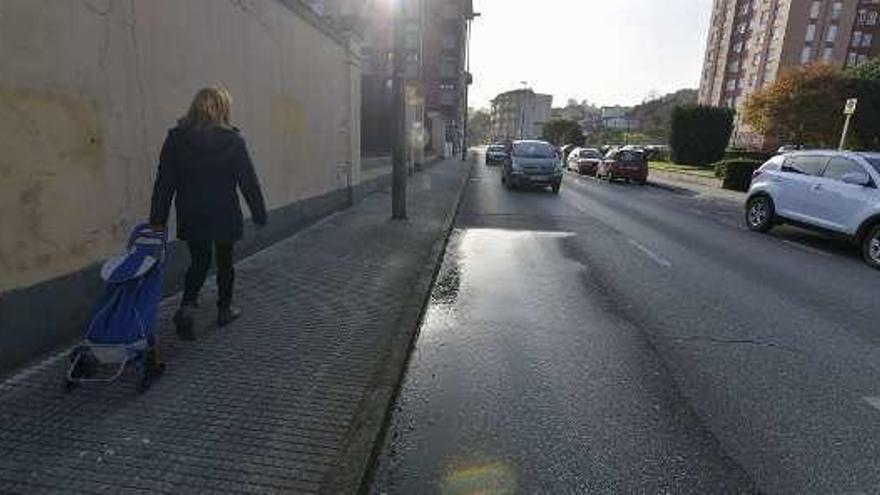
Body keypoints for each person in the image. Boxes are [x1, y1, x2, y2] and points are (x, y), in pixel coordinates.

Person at [149, 85, 267, 340]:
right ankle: (224, 310)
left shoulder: (176, 138)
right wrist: (259, 214)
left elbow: (165, 181)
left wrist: (157, 220)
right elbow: (248, 180)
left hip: (192, 211)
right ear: (223, 109)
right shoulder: (233, 140)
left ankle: (187, 307)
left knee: (199, 261)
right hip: (224, 210)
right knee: (225, 263)